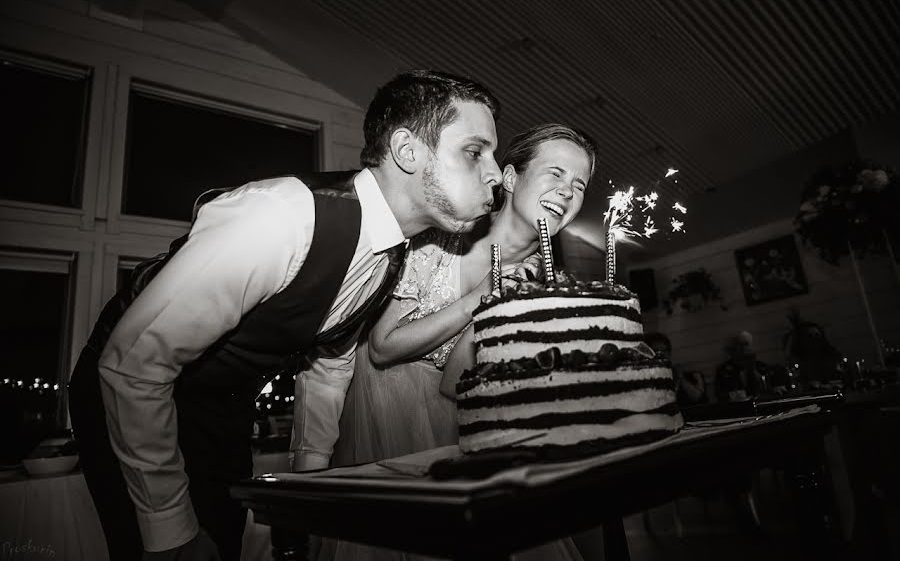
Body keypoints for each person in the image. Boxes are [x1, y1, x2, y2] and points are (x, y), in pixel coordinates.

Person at [67, 69, 504, 561]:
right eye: (475, 151)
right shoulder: (281, 216)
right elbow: (133, 365)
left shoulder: (393, 253)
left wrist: (309, 479)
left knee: (223, 539)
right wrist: (167, 527)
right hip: (128, 402)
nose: (495, 172)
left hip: (222, 415)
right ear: (407, 151)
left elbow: (330, 363)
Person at [321, 124, 596, 560]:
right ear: (509, 177)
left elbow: (455, 384)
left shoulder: (545, 283)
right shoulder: (446, 234)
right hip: (388, 417)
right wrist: (481, 296)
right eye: (556, 174)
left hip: (462, 434)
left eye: (579, 185)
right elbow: (382, 347)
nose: (567, 192)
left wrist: (501, 311)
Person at [644, 332, 708, 406]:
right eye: (656, 351)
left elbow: (699, 400)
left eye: (665, 351)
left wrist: (680, 377)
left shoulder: (681, 375)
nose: (661, 355)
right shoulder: (642, 378)